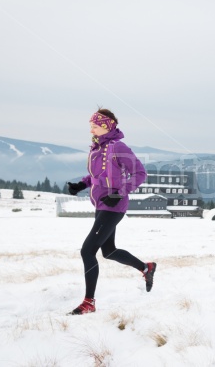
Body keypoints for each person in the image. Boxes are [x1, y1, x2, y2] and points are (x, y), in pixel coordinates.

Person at [67, 108, 155, 315]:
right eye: (90, 125)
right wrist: (81, 184)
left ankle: (89, 302)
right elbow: (97, 175)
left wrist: (119, 193)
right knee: (109, 251)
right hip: (100, 204)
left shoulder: (118, 147)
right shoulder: (97, 148)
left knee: (87, 250)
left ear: (107, 125)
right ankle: (146, 268)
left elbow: (140, 173)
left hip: (114, 206)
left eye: (95, 125)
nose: (91, 129)